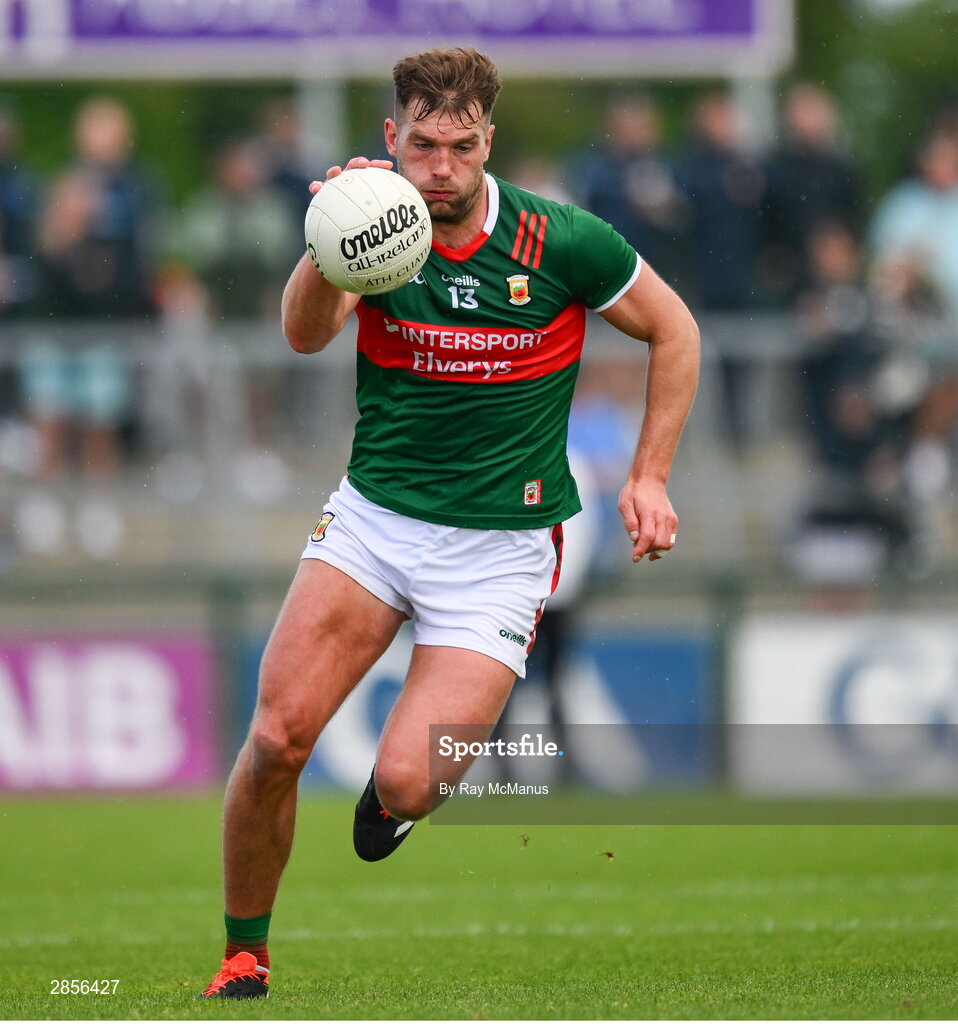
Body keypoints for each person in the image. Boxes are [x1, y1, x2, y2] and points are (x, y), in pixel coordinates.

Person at [199, 46, 699, 1000]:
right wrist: (325, 239)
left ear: (488, 143)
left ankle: (395, 807)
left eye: (461, 147)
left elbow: (677, 330)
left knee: (412, 780)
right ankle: (243, 954)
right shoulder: (376, 227)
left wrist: (651, 476)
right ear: (392, 138)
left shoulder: (564, 241)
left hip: (502, 554)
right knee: (274, 742)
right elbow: (304, 335)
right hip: (374, 525)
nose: (440, 169)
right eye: (421, 145)